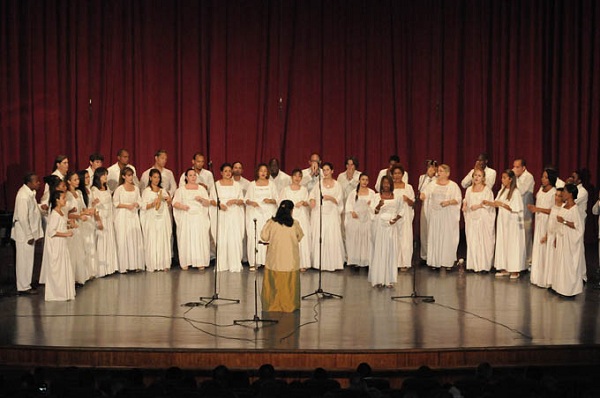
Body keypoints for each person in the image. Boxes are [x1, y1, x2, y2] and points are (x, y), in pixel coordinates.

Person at [260, 200, 304, 312]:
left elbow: (264, 237)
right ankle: (289, 305)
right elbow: (299, 237)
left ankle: (273, 304)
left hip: (275, 260)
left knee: (274, 283)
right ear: (291, 211)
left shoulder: (271, 223)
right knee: (289, 283)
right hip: (290, 261)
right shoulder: (295, 224)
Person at [485, 170, 526, 279]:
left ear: (510, 179)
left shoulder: (516, 192)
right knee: (503, 243)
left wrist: (502, 204)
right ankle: (504, 268)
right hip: (503, 221)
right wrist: (488, 202)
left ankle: (514, 270)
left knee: (512, 244)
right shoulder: (502, 190)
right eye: (502, 177)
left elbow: (514, 208)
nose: (502, 179)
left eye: (504, 177)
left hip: (512, 222)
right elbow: (496, 203)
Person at [420, 164, 461, 270]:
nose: (438, 173)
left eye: (441, 171)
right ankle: (435, 261)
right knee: (435, 236)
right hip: (435, 215)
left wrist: (448, 202)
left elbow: (458, 199)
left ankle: (446, 262)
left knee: (446, 237)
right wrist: (423, 195)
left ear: (447, 173)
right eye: (438, 171)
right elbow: (425, 192)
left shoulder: (453, 185)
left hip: (447, 216)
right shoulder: (432, 184)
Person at [11, 172, 44, 295]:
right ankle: (23, 287)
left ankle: (27, 284)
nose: (38, 183)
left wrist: (41, 207)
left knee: (28, 259)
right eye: (36, 181)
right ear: (29, 183)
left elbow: (32, 210)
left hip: (29, 233)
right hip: (24, 234)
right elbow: (22, 217)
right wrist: (29, 235)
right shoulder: (23, 196)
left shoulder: (30, 194)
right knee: (23, 260)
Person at [309, 162, 345, 271]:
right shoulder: (319, 184)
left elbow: (339, 200)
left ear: (332, 171)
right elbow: (312, 196)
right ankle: (319, 263)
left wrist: (330, 198)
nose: (325, 172)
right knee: (321, 235)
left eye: (327, 170)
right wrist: (312, 201)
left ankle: (333, 263)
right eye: (323, 170)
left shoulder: (337, 185)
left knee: (331, 236)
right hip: (320, 213)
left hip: (332, 213)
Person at [210, 163, 245, 272]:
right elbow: (211, 200)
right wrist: (219, 205)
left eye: (230, 171)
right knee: (222, 238)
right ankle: (222, 264)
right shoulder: (216, 185)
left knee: (234, 238)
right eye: (225, 171)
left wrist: (234, 201)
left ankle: (235, 264)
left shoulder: (237, 185)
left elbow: (241, 201)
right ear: (221, 173)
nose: (228, 173)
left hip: (234, 215)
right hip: (222, 215)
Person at [173, 168, 210, 270]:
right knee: (186, 238)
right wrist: (182, 206)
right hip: (186, 217)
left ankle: (200, 261)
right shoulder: (181, 190)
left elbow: (208, 203)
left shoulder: (201, 189)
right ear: (186, 177)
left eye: (194, 175)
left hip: (198, 217)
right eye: (190, 175)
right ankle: (186, 261)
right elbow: (174, 203)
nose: (193, 177)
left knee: (198, 238)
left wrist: (201, 199)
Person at [368, 176, 402, 287]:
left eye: (388, 183)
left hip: (391, 228)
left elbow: (401, 211)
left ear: (391, 184)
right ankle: (378, 279)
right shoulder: (376, 196)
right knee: (379, 251)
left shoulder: (397, 197)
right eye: (384, 183)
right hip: (380, 227)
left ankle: (389, 279)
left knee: (390, 251)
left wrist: (395, 219)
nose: (386, 185)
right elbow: (374, 211)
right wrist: (378, 205)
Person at [552, 184, 585, 297]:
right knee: (560, 263)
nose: (563, 194)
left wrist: (564, 221)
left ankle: (569, 290)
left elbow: (578, 226)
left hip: (569, 241)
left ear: (570, 194)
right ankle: (559, 287)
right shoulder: (564, 206)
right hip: (562, 239)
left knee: (568, 264)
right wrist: (556, 237)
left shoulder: (575, 209)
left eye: (565, 192)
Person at [42, 190, 75, 301]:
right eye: (63, 198)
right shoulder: (54, 214)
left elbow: (61, 226)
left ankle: (64, 293)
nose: (65, 200)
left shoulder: (61, 212)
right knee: (58, 268)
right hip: (56, 244)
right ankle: (57, 294)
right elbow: (51, 232)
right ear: (57, 200)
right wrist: (65, 234)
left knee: (64, 267)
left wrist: (69, 226)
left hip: (62, 244)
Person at [245, 163, 279, 271]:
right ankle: (254, 262)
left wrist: (270, 200)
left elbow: (277, 199)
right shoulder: (252, 185)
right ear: (257, 172)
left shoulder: (272, 185)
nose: (263, 173)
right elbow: (246, 199)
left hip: (268, 213)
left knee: (268, 237)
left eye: (265, 171)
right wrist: (251, 202)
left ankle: (267, 262)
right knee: (254, 236)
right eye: (261, 171)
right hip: (255, 213)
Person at [528, 169, 557, 287]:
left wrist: (538, 209)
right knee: (538, 247)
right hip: (540, 220)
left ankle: (546, 279)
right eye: (542, 176)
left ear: (551, 178)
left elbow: (554, 210)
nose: (542, 179)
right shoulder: (541, 189)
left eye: (545, 177)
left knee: (546, 248)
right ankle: (537, 277)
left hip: (547, 221)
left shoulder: (554, 192)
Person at [462, 168, 495, 272]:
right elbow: (466, 200)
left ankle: (484, 266)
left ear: (483, 178)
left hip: (483, 218)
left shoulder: (487, 190)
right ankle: (473, 265)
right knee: (473, 240)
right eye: (475, 175)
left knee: (483, 241)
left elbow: (489, 204)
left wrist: (479, 206)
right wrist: (464, 205)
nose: (476, 177)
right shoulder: (469, 189)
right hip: (471, 218)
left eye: (479, 175)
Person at [279, 169, 312, 271]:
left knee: (302, 239)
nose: (297, 178)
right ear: (291, 177)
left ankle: (302, 263)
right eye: (295, 176)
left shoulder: (304, 190)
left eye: (299, 176)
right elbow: (281, 203)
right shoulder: (285, 190)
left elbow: (308, 203)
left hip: (301, 216)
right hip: (290, 217)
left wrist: (303, 202)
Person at [113, 167, 144, 273]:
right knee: (124, 239)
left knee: (134, 238)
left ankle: (135, 264)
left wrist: (136, 204)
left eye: (132, 175)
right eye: (128, 175)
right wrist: (127, 206)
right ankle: (124, 266)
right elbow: (116, 203)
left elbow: (140, 200)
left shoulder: (135, 188)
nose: (131, 177)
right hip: (122, 216)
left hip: (133, 216)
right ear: (123, 176)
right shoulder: (119, 189)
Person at [141, 169, 173, 272]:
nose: (156, 179)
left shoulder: (162, 190)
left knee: (162, 239)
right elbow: (143, 206)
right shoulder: (147, 191)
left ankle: (164, 263)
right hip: (152, 218)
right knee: (153, 239)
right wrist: (152, 204)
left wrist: (168, 200)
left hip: (162, 218)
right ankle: (153, 264)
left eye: (158, 177)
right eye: (154, 177)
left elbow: (168, 204)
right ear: (150, 178)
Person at [65, 171, 93, 284]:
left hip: (81, 225)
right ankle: (72, 278)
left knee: (81, 251)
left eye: (78, 179)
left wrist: (87, 211)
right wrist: (79, 216)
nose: (77, 182)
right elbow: (67, 213)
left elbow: (81, 208)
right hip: (73, 225)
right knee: (74, 252)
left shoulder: (79, 193)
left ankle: (81, 276)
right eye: (74, 180)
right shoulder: (67, 195)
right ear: (68, 181)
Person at [90, 167, 119, 277]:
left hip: (108, 217)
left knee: (109, 240)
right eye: (103, 175)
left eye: (106, 175)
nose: (106, 177)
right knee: (101, 242)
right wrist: (98, 221)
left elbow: (110, 204)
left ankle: (110, 267)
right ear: (98, 177)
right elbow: (94, 206)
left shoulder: (106, 188)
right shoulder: (94, 190)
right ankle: (101, 270)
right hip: (101, 217)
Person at [344, 173, 375, 267]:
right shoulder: (353, 193)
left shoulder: (372, 193)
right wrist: (352, 212)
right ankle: (355, 260)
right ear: (359, 180)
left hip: (366, 219)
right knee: (355, 240)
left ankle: (366, 260)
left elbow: (374, 205)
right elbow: (349, 205)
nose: (364, 182)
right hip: (356, 219)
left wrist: (369, 206)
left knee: (366, 240)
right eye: (363, 179)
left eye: (366, 180)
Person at [392, 165, 415, 270]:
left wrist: (407, 200)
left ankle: (404, 262)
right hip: (393, 214)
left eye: (399, 173)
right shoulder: (389, 186)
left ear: (402, 174)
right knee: (393, 237)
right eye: (395, 173)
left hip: (405, 215)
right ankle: (393, 262)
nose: (397, 175)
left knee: (405, 238)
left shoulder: (408, 187)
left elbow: (413, 203)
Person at [513, 158, 535, 264]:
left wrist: (515, 178)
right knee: (516, 235)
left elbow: (521, 190)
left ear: (523, 168)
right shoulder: (515, 178)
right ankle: (518, 259)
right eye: (514, 167)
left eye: (517, 167)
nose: (515, 169)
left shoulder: (528, 177)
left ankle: (528, 259)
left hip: (526, 209)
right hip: (516, 210)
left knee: (526, 234)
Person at [544, 188, 564, 288]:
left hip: (557, 237)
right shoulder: (554, 207)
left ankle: (557, 283)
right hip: (551, 237)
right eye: (556, 195)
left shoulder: (563, 209)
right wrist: (546, 235)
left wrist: (557, 237)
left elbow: (561, 225)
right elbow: (550, 223)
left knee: (556, 260)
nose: (557, 197)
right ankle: (550, 281)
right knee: (550, 259)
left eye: (559, 196)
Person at [417, 160, 437, 263]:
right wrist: (428, 177)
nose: (431, 169)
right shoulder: (422, 177)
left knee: (433, 231)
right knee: (424, 231)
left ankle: (434, 255)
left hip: (435, 207)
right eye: (429, 167)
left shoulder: (438, 179)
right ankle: (424, 256)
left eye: (433, 167)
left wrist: (433, 176)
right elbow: (421, 190)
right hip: (425, 206)